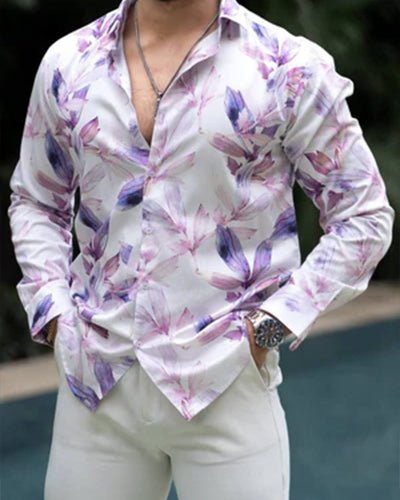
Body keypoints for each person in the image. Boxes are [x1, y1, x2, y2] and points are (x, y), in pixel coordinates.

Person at [8, 0, 395, 498]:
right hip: (96, 381)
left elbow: (363, 215)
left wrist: (270, 326)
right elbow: (37, 199)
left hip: (224, 379)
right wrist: (54, 311)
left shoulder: (286, 66)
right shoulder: (69, 61)